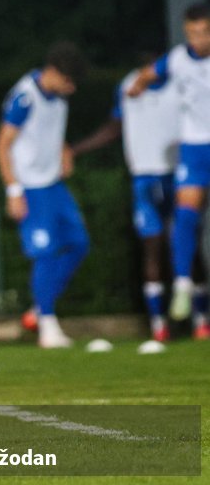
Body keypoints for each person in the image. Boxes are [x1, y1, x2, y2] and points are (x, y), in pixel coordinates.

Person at [71, 58, 191, 342]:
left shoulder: (181, 82)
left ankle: (198, 320)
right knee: (152, 247)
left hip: (177, 175)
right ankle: (158, 324)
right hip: (143, 179)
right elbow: (114, 127)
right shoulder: (126, 87)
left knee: (184, 243)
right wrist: (75, 149)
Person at [0, 43, 89, 349]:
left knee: (79, 244)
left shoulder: (59, 99)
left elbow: (50, 131)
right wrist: (13, 191)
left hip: (53, 185)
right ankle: (47, 325)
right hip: (31, 187)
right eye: (70, 82)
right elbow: (3, 144)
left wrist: (63, 151)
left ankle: (38, 309)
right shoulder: (25, 97)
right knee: (45, 254)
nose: (72, 89)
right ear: (56, 74)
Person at [127, 3, 210, 327]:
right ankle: (182, 285)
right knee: (185, 215)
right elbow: (151, 72)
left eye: (203, 32)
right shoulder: (177, 59)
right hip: (193, 148)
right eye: (192, 33)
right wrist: (138, 85)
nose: (198, 39)